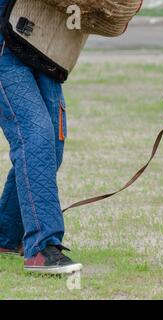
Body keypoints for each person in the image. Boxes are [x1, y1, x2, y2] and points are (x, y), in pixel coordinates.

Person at [0, 0, 82, 274]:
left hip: (49, 41)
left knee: (52, 148)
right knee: (36, 137)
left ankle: (6, 237)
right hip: (5, 37)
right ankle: (42, 248)